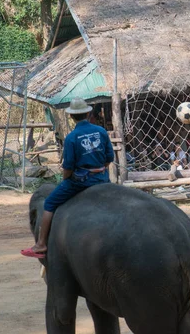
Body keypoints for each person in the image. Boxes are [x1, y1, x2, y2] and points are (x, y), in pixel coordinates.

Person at [21, 98, 114, 258]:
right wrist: (98, 170)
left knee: (49, 203)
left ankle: (41, 244)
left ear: (72, 117)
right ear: (88, 113)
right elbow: (109, 158)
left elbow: (69, 167)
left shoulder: (72, 137)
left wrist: (66, 180)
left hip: (82, 182)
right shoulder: (101, 132)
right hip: (102, 179)